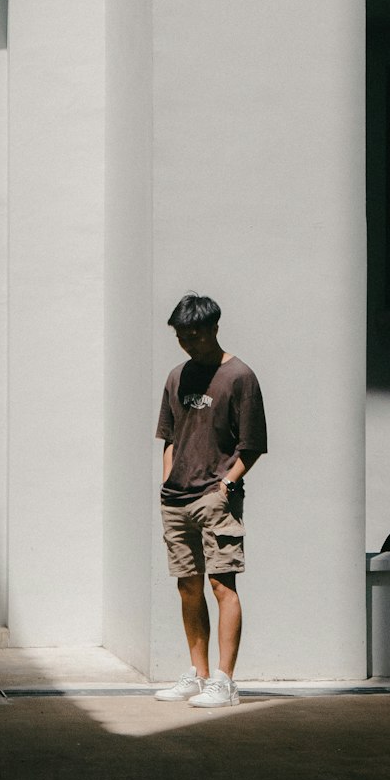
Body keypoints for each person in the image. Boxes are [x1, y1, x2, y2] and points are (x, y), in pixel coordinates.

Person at [154, 292, 267, 707]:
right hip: (176, 498)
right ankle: (198, 675)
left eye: (195, 334)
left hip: (214, 496)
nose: (188, 342)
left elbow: (252, 444)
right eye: (182, 335)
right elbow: (168, 438)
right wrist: (167, 483)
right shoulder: (176, 376)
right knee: (187, 586)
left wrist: (227, 486)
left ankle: (225, 680)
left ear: (214, 328)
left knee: (222, 584)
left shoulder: (239, 376)